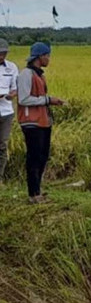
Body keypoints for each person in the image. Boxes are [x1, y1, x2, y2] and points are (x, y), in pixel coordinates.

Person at [17, 42, 65, 204]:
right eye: (47, 55)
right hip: (31, 122)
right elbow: (23, 98)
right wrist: (48, 100)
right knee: (34, 157)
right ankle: (33, 194)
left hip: (43, 121)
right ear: (40, 57)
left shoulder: (39, 75)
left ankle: (37, 190)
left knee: (43, 156)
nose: (49, 59)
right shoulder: (26, 74)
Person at [0, 39, 18, 181]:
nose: (1, 56)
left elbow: (15, 87)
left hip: (6, 111)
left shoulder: (11, 67)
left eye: (3, 53)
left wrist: (12, 94)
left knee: (2, 145)